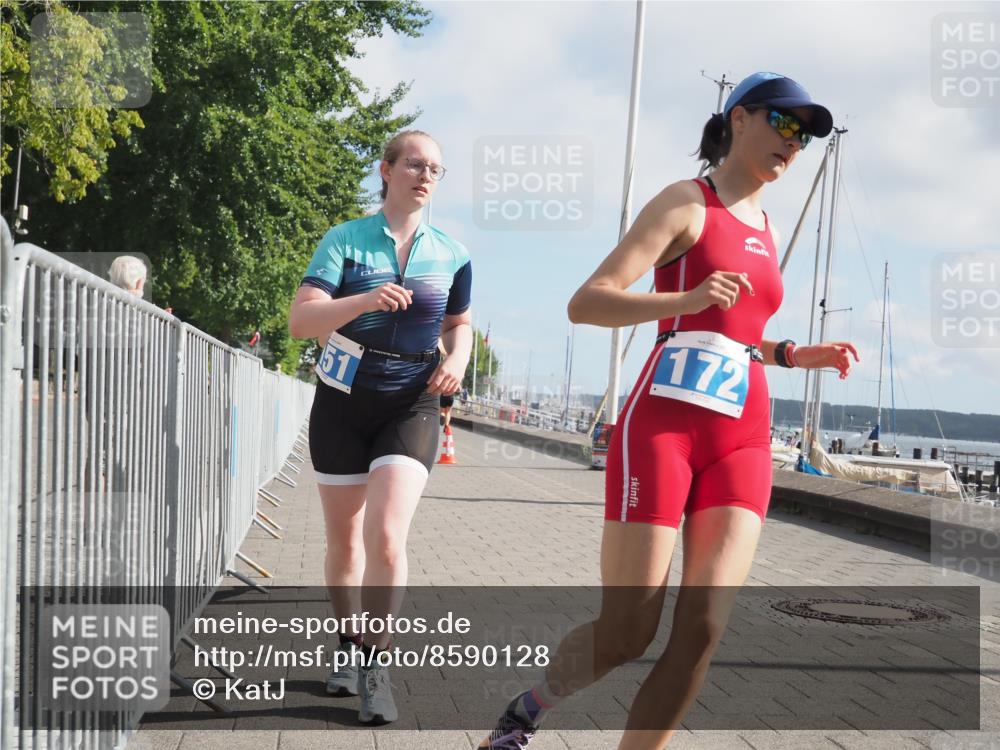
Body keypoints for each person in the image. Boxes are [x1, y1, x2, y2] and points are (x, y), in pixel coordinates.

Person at [479, 72, 859, 749]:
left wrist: (795, 353)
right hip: (663, 427)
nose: (794, 143)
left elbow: (736, 330)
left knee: (704, 628)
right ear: (740, 119)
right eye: (784, 123)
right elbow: (588, 302)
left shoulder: (768, 228)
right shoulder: (687, 203)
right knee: (628, 632)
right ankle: (529, 708)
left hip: (742, 433)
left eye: (805, 135)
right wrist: (683, 302)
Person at [288, 129, 473, 724]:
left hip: (410, 402)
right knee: (345, 542)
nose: (425, 176)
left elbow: (459, 324)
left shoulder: (453, 253)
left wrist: (457, 361)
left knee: (387, 537)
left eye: (436, 170)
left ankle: (375, 663)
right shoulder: (346, 240)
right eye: (415, 164)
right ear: (387, 169)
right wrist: (363, 302)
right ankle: (346, 646)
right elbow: (301, 320)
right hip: (342, 399)